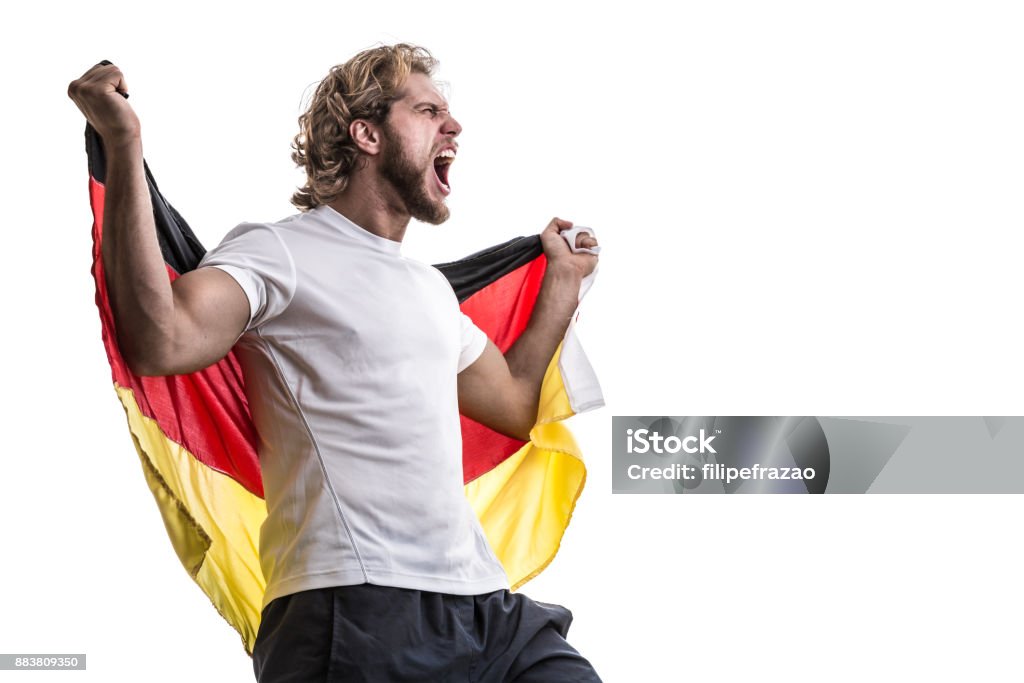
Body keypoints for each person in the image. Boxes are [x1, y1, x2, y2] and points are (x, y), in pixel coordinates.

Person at [69, 44, 601, 682]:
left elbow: (515, 404)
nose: (453, 126)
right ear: (367, 133)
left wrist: (563, 281)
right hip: (352, 608)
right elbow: (163, 340)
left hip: (487, 610)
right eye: (429, 110)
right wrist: (123, 144)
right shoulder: (278, 253)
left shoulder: (429, 289)